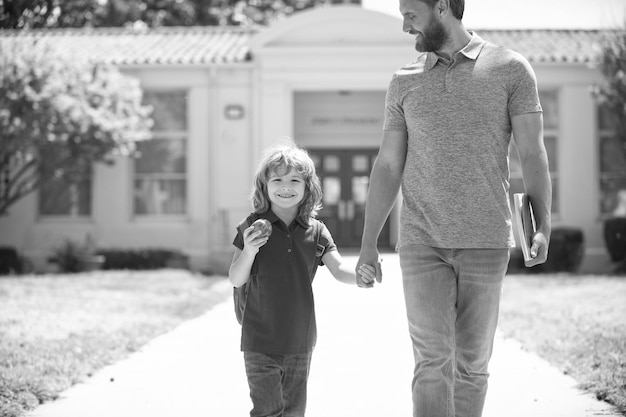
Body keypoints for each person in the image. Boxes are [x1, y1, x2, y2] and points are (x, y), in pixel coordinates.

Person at [355, 1, 552, 416]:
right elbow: (388, 164)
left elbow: (532, 153)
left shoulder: (510, 68)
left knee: (472, 364)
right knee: (431, 362)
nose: (405, 26)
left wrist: (542, 226)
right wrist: (369, 242)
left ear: (442, 7)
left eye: (410, 14)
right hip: (422, 241)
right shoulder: (403, 81)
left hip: (486, 240)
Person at [229, 142, 377, 417]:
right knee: (267, 410)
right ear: (264, 186)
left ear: (308, 186)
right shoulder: (250, 227)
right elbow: (236, 279)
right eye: (278, 179)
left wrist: (360, 276)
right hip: (259, 339)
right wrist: (250, 249)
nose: (286, 186)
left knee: (294, 412)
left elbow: (338, 269)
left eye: (295, 179)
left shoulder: (316, 230)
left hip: (300, 338)